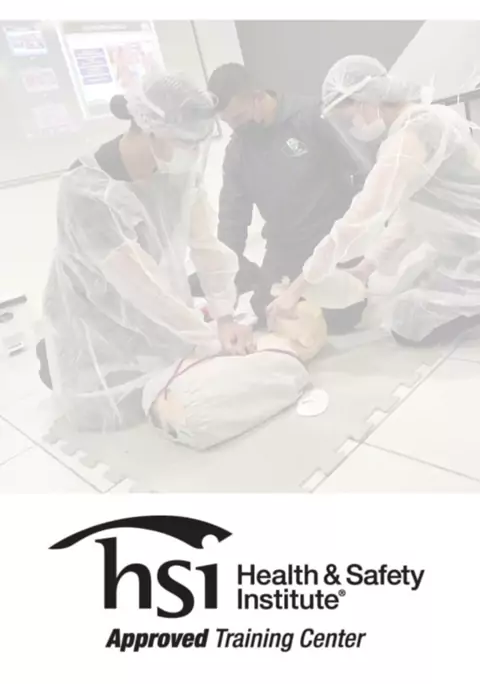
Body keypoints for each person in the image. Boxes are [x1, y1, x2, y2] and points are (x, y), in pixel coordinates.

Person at [40, 70, 254, 432]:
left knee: (172, 370)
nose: (193, 153)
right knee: (110, 403)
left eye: (198, 143)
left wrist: (224, 316)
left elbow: (206, 246)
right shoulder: (87, 190)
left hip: (151, 304)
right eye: (185, 142)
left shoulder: (178, 174)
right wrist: (207, 338)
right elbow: (140, 287)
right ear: (151, 129)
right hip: (94, 305)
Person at [268, 54, 480, 346]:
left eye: (349, 118)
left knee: (410, 325)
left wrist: (299, 287)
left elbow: (363, 216)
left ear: (365, 101)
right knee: (405, 307)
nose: (353, 127)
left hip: (471, 246)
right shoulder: (423, 122)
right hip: (464, 244)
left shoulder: (413, 136)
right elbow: (411, 214)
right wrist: (367, 266)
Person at [204, 62, 366, 331]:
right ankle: (264, 281)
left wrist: (359, 235)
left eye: (239, 117)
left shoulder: (311, 118)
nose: (234, 127)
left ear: (257, 97)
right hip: (285, 246)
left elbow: (362, 170)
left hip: (331, 239)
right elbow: (233, 216)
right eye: (228, 122)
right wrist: (225, 276)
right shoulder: (238, 151)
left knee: (340, 316)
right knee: (267, 311)